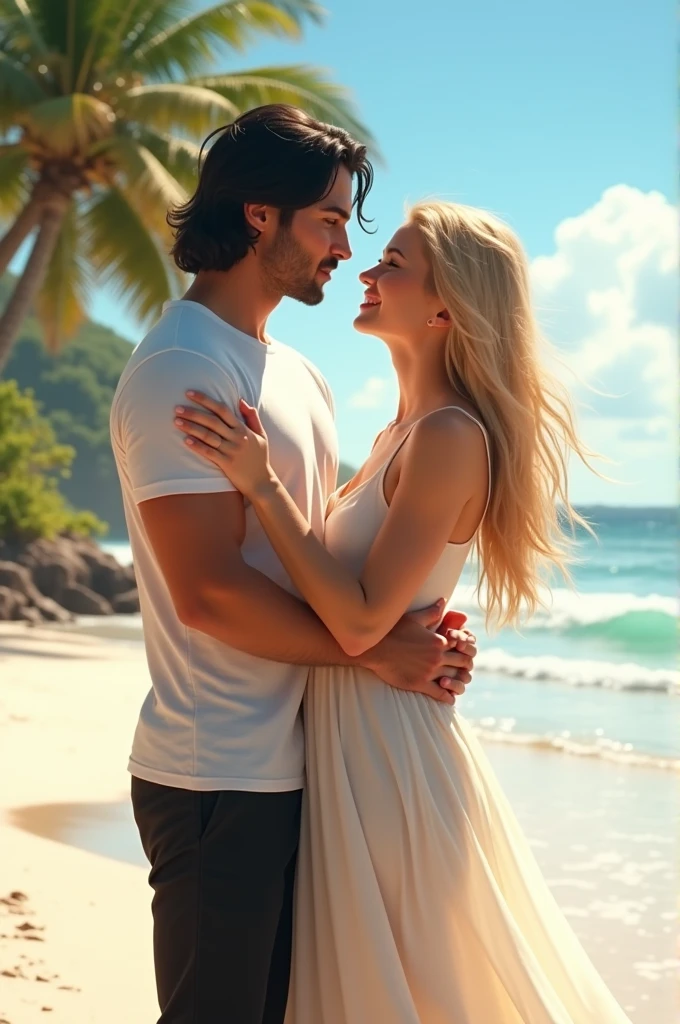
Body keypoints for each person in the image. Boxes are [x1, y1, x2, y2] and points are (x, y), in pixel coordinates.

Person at [174, 201, 634, 1023]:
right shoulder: (400, 433)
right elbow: (363, 612)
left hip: (389, 759)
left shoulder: (450, 434)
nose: (366, 270)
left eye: (392, 262)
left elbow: (357, 623)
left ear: (447, 306)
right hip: (352, 743)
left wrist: (260, 483)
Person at [109, 105, 476, 1024]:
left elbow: (324, 558)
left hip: (308, 763)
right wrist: (370, 652)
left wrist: (415, 626)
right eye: (326, 221)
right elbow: (209, 593)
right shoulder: (181, 369)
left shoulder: (296, 375)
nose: (342, 250)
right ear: (260, 214)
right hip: (216, 770)